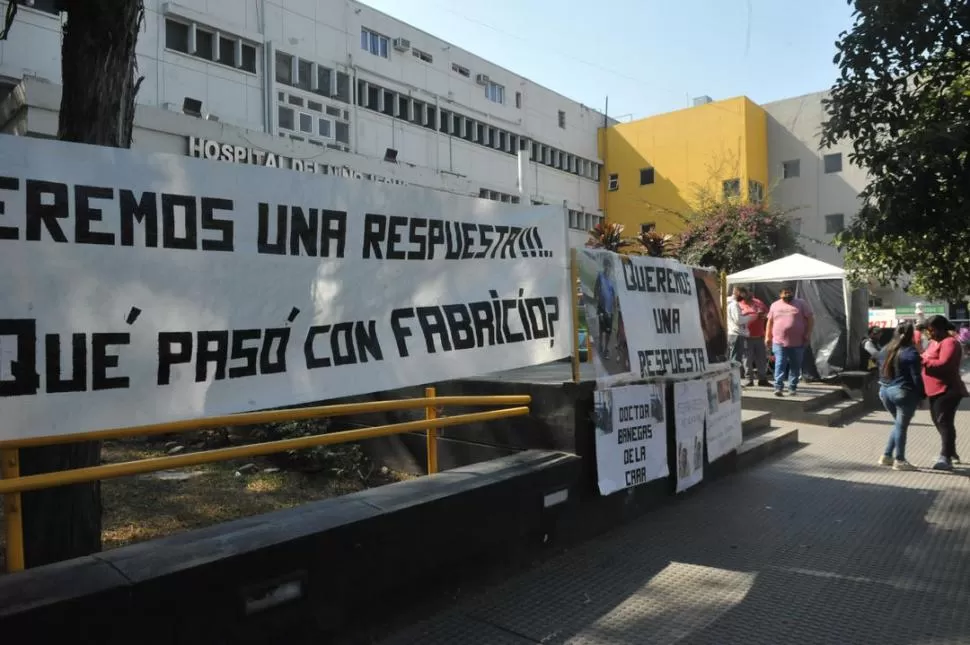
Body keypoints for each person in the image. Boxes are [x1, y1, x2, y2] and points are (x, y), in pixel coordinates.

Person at [921, 315, 969, 471]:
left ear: (939, 328)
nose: (929, 333)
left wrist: (922, 361)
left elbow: (945, 364)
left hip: (947, 389)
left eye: (931, 330)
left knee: (944, 422)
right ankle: (951, 453)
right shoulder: (934, 342)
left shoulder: (950, 343)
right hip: (934, 390)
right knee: (939, 422)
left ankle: (945, 457)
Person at [875, 323, 923, 471]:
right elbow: (916, 377)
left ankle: (887, 456)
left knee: (898, 425)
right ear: (911, 335)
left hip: (884, 390)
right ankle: (900, 460)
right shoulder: (910, 352)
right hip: (903, 392)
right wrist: (922, 395)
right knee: (901, 427)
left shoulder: (884, 349)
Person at [764, 286, 814, 397]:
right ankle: (778, 387)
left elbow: (810, 319)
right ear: (780, 294)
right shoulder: (775, 305)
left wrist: (808, 334)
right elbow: (770, 322)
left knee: (795, 365)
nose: (787, 294)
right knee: (780, 363)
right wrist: (767, 336)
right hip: (779, 341)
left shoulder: (801, 303)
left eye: (789, 292)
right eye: (785, 293)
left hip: (797, 342)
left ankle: (792, 387)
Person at [740, 290, 769, 386]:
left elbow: (767, 314)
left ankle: (763, 379)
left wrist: (763, 316)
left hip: (759, 335)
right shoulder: (738, 305)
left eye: (749, 293)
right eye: (746, 293)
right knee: (747, 359)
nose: (749, 295)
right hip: (746, 336)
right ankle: (749, 379)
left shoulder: (758, 302)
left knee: (761, 359)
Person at [727, 286, 756, 381]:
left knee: (735, 357)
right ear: (738, 293)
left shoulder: (734, 304)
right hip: (736, 334)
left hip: (736, 334)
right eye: (743, 293)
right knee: (735, 359)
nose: (745, 296)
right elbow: (738, 320)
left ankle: (733, 379)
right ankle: (733, 380)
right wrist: (751, 317)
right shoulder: (734, 305)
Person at [593, 256, 618, 359]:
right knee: (601, 328)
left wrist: (615, 307)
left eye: (609, 266)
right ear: (604, 266)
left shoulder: (613, 281)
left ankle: (606, 348)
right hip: (601, 307)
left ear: (611, 268)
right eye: (606, 265)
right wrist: (596, 296)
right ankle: (600, 344)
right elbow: (596, 287)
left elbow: (614, 295)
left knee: (608, 330)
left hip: (610, 309)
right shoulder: (600, 276)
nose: (607, 268)